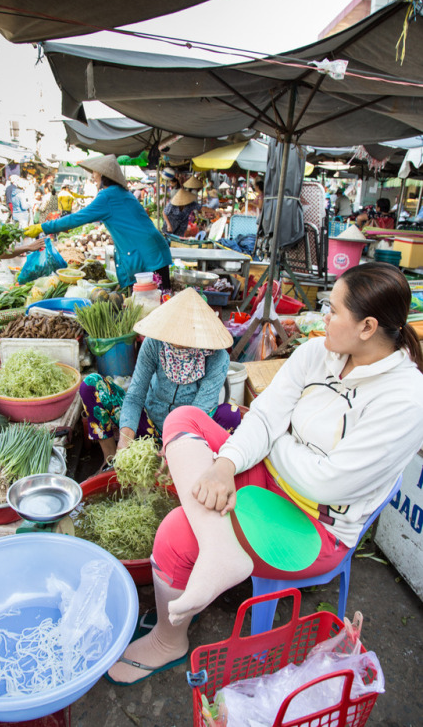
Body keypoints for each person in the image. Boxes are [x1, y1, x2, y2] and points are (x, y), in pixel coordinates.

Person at [107, 262, 423, 685]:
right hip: (267, 476)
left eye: (333, 309)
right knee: (182, 417)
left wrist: (273, 443)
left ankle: (170, 639)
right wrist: (225, 464)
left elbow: (328, 481)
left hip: (315, 522)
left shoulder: (405, 399)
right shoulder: (318, 353)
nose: (324, 315)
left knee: (175, 534)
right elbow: (264, 417)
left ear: (367, 327)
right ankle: (220, 550)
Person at [80, 288, 241, 472]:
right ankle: (111, 461)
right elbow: (135, 396)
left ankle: (193, 466)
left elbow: (200, 411)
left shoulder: (217, 357)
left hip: (189, 433)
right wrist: (124, 442)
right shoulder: (154, 343)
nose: (177, 342)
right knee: (91, 384)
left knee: (232, 414)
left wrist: (174, 444)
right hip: (148, 424)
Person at [25, 155, 172, 290]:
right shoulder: (121, 192)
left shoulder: (108, 195)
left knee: (153, 304)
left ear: (103, 174)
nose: (92, 176)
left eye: (94, 172)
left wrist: (43, 226)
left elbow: (76, 218)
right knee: (158, 301)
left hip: (148, 255)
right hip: (154, 251)